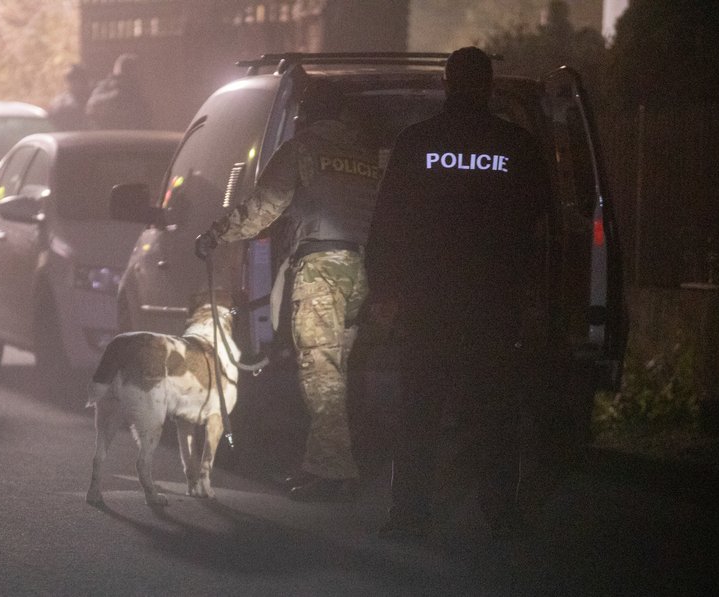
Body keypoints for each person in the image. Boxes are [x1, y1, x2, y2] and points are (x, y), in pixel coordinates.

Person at [364, 47, 551, 539]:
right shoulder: (516, 145)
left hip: (428, 305)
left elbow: (386, 224)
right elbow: (541, 225)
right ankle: (501, 517)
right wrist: (534, 294)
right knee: (495, 415)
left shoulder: (417, 142)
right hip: (494, 304)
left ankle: (408, 517)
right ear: (489, 85)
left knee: (419, 413)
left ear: (446, 83)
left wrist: (385, 289)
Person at [195, 80, 380, 502]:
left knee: (321, 374)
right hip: (363, 271)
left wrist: (216, 234)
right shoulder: (365, 156)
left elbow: (262, 210)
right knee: (336, 372)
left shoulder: (303, 149)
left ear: (309, 114)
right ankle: (321, 464)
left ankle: (335, 472)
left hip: (322, 270)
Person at [84, 53, 152, 130]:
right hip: (107, 137)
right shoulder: (104, 90)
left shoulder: (139, 96)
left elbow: (146, 122)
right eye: (124, 77)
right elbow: (93, 111)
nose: (127, 81)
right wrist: (116, 96)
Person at [48, 63, 91, 131]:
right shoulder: (60, 103)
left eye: (80, 80)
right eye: (72, 81)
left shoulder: (93, 101)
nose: (75, 84)